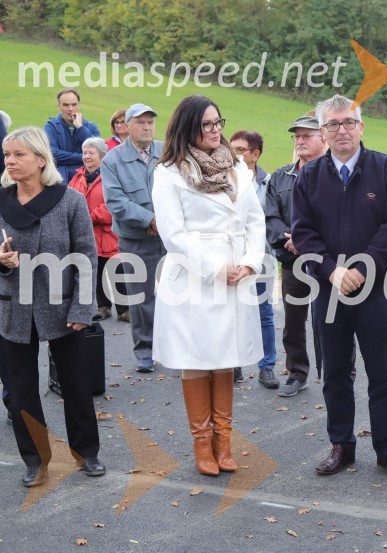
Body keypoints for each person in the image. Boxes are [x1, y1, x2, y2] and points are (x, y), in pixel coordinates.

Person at [292, 94, 387, 480]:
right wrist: (332, 272)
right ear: (323, 131)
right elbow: (303, 233)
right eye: (333, 124)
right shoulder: (309, 176)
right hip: (329, 292)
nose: (341, 130)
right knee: (336, 372)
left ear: (361, 127)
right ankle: (341, 445)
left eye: (348, 122)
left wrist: (360, 269)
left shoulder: (386, 169)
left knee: (383, 372)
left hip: (375, 289)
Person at [152, 95, 265, 476]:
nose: (216, 130)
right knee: (197, 358)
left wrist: (249, 262)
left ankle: (224, 441)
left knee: (225, 358)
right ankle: (202, 443)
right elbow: (173, 234)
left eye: (218, 122)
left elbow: (255, 221)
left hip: (236, 274)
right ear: (189, 127)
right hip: (194, 277)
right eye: (207, 124)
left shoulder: (238, 169)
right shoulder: (169, 172)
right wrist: (216, 268)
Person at [0, 126, 104, 487]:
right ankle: (36, 459)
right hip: (12, 307)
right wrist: (2, 262)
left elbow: (86, 257)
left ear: (41, 159)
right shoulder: (0, 200)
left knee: (76, 384)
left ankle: (87, 452)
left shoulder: (70, 200)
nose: (10, 161)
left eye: (19, 154)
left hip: (63, 306)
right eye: (7, 154)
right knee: (21, 392)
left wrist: (82, 308)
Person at [266, 114, 343, 396]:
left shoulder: (337, 175)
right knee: (294, 322)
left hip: (327, 263)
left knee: (332, 320)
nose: (300, 140)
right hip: (292, 263)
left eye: (306, 135)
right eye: (297, 136)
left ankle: (334, 373)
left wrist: (305, 241)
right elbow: (270, 216)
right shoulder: (280, 177)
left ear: (323, 139)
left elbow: (340, 217)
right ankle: (297, 373)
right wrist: (288, 240)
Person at [102, 103, 165, 372]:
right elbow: (116, 202)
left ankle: (174, 347)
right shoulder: (112, 159)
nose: (147, 127)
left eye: (150, 122)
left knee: (177, 293)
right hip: (136, 239)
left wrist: (168, 223)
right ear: (126, 127)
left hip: (171, 237)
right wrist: (150, 220)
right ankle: (145, 351)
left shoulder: (167, 152)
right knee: (141, 297)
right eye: (140, 122)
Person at [229, 130, 278, 388]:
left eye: (240, 150)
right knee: (232, 312)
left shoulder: (269, 183)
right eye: (231, 148)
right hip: (232, 259)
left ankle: (266, 367)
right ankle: (233, 363)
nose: (233, 154)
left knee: (263, 313)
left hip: (262, 258)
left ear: (255, 154)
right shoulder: (224, 180)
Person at [68, 137, 128, 321]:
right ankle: (103, 307)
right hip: (88, 235)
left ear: (102, 155)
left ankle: (124, 310)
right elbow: (69, 201)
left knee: (117, 272)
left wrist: (88, 217)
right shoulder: (77, 178)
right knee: (96, 273)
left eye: (91, 153)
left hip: (110, 235)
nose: (86, 156)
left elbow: (114, 205)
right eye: (84, 153)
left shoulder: (112, 175)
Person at [44, 88, 101, 184]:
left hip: (86, 181)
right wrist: (84, 157)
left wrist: (80, 128)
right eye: (66, 105)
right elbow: (52, 154)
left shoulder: (91, 127)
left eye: (74, 105)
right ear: (58, 106)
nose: (70, 109)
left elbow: (98, 152)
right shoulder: (50, 127)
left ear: (78, 105)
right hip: (58, 180)